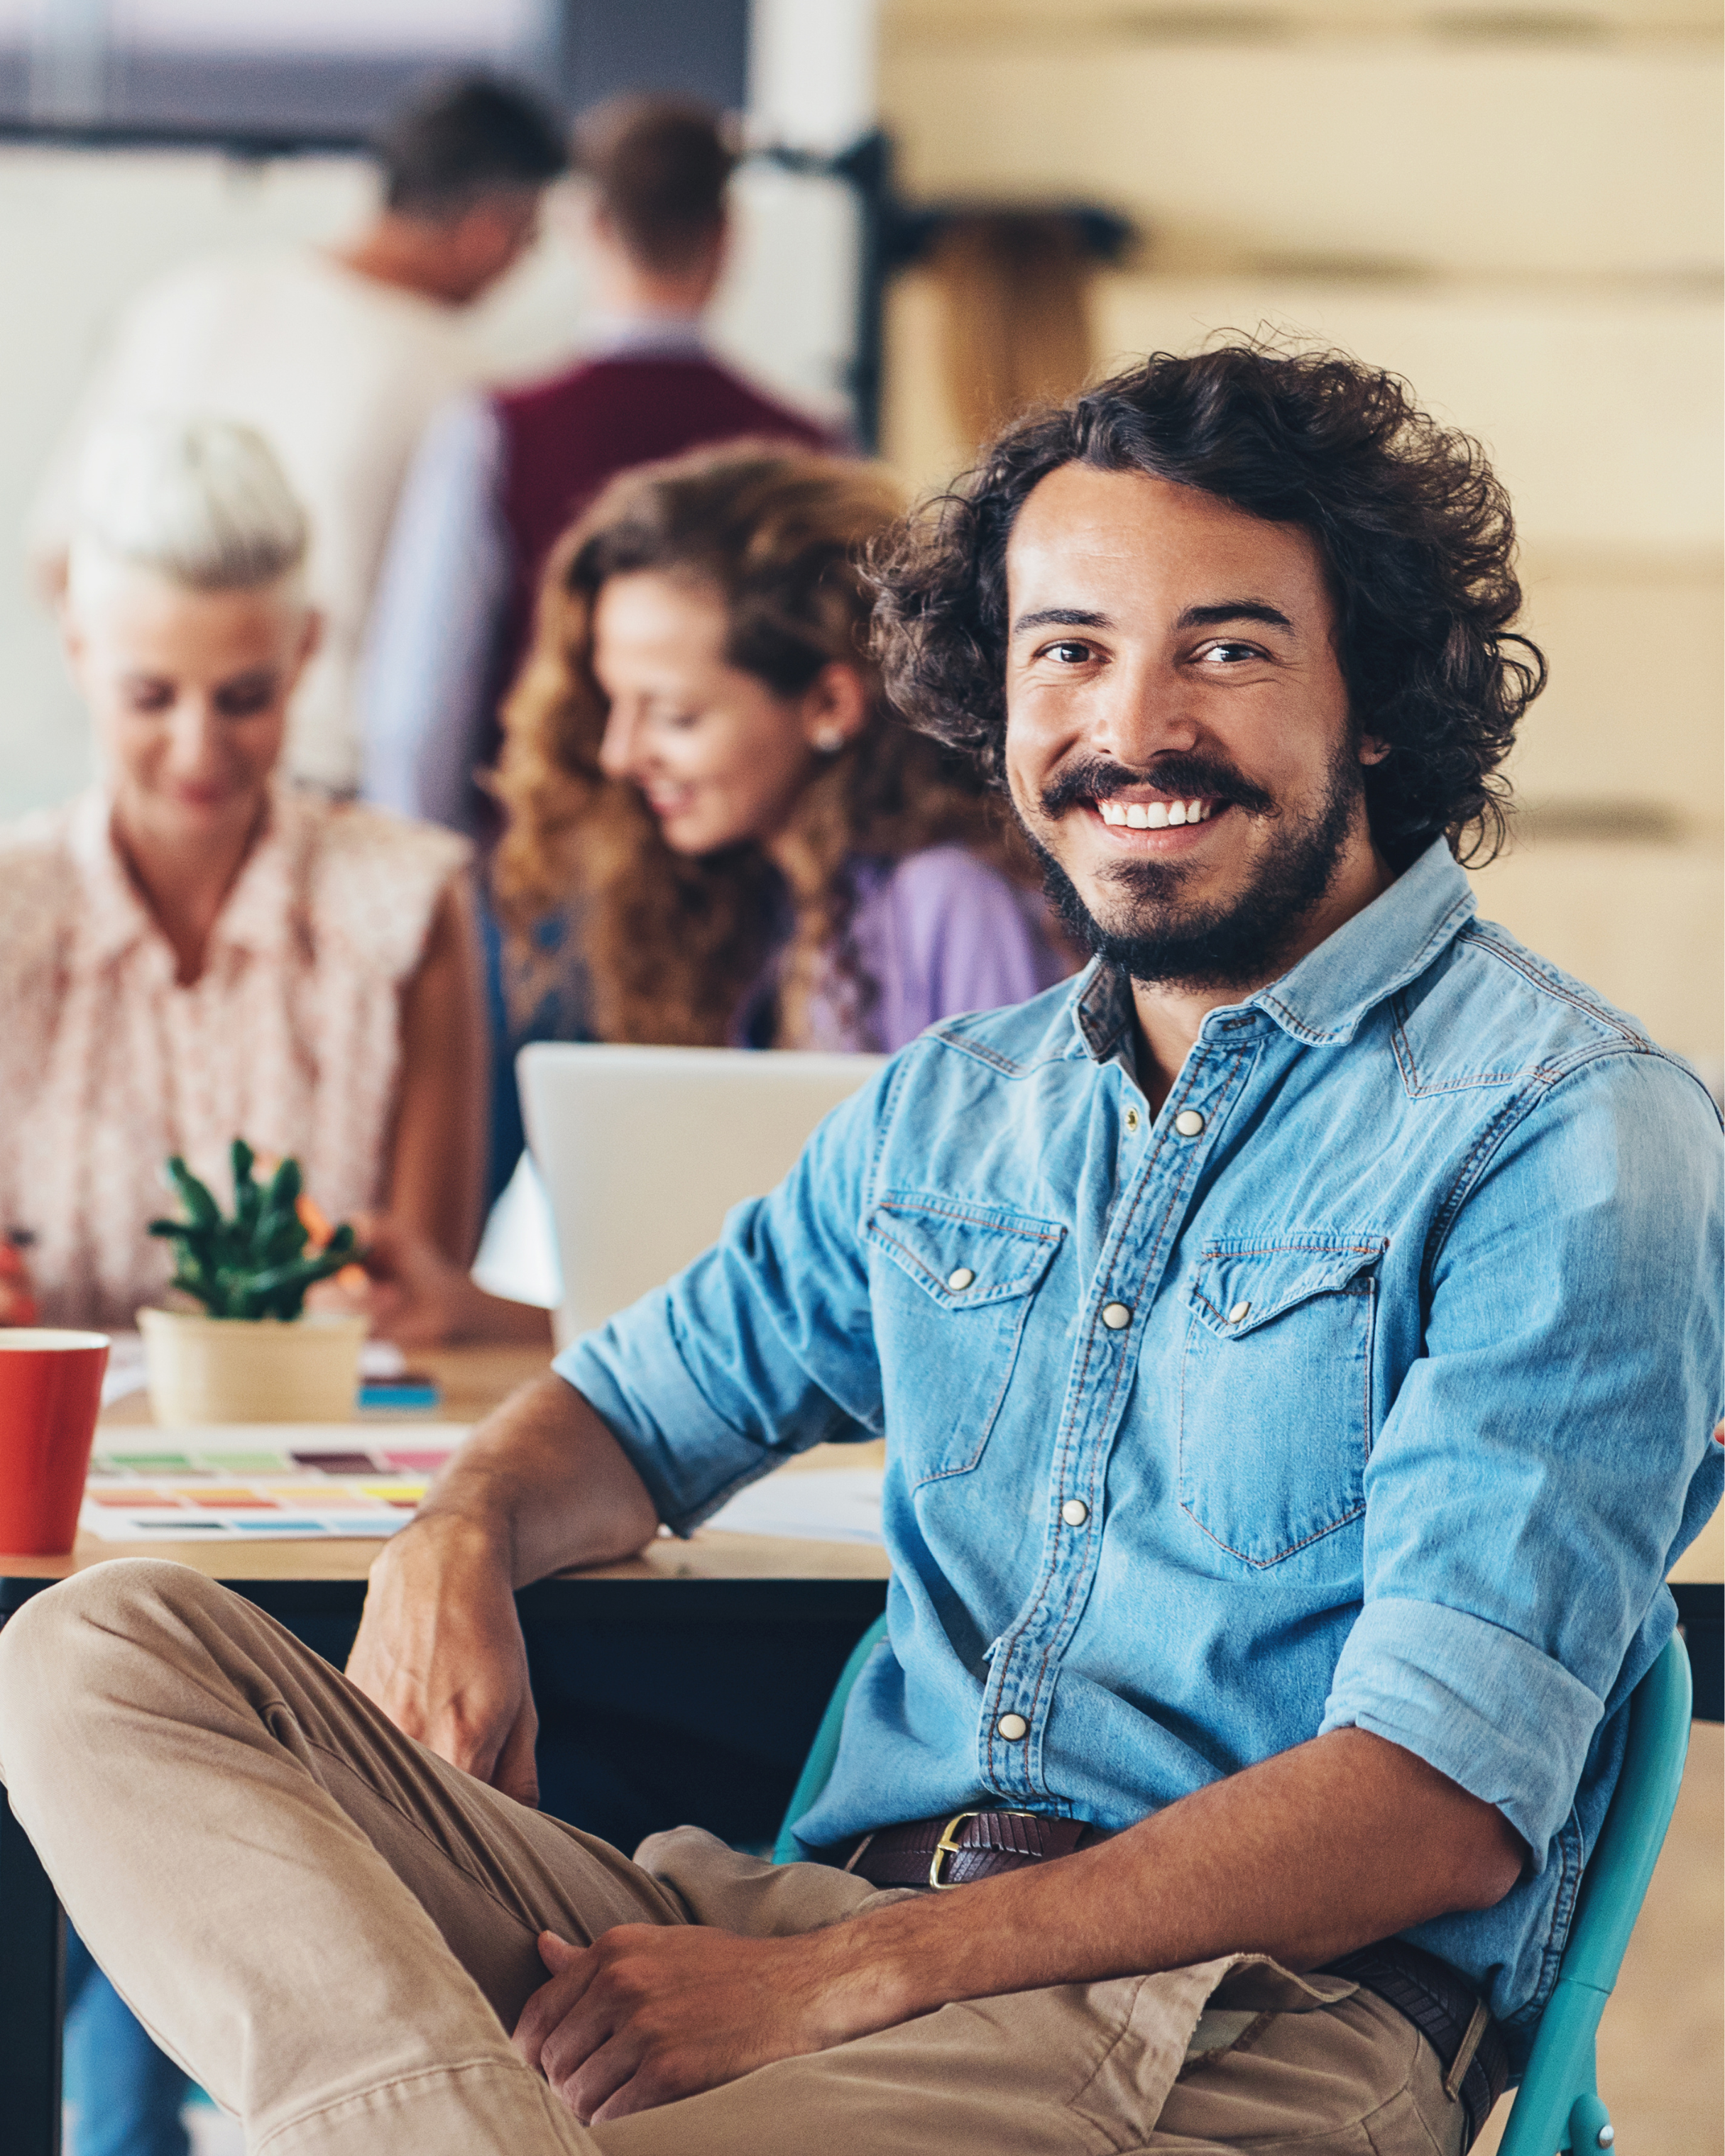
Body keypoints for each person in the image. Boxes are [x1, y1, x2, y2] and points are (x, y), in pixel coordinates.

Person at [1, 345, 1719, 2156]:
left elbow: (1433, 1806)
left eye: (1225, 648)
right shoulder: (952, 1110)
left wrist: (850, 1983)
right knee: (98, 1655)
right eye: (1067, 650)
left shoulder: (1567, 1131)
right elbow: (626, 1412)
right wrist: (460, 1532)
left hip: (1220, 2025)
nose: (1131, 725)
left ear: (1376, 697)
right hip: (797, 1931)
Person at [346, 441, 1068, 1349]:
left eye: (675, 715)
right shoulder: (747, 914)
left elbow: (1011, 1281)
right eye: (614, 704)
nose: (618, 754)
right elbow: (739, 1333)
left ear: (830, 706)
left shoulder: (948, 902)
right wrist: (472, 1313)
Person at [0, 415, 486, 1333]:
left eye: (245, 697)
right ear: (78, 651)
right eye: (151, 696)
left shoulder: (407, 905)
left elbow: (420, 1308)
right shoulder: (9, 913)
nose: (199, 748)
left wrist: (392, 1295)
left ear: (304, 648)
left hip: (326, 1455)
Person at [28, 76, 568, 795]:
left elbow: (56, 556)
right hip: (327, 780)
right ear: (490, 226)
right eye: (528, 240)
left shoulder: (187, 302)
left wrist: (152, 703)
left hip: (141, 781)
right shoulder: (463, 385)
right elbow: (452, 652)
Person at [360, 95, 833, 837]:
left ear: (590, 228)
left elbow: (419, 713)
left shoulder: (496, 430)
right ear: (727, 236)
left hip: (544, 860)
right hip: (754, 876)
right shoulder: (813, 448)